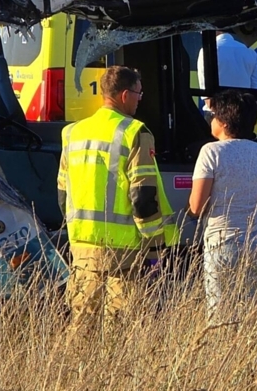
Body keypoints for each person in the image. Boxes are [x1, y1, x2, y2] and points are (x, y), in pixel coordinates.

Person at [58, 66, 178, 319]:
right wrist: (155, 248)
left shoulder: (72, 133)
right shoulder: (135, 132)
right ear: (125, 95)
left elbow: (62, 194)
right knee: (122, 328)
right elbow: (143, 198)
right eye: (139, 93)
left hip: (82, 248)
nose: (140, 99)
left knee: (82, 325)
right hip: (124, 252)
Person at [188, 90, 257, 321]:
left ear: (224, 122)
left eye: (214, 115)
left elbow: (197, 206)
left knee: (221, 316)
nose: (211, 119)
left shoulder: (211, 152)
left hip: (225, 241)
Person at [197, 30, 257, 121]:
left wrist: (225, 120)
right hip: (244, 119)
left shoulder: (206, 52)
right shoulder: (251, 53)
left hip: (217, 119)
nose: (201, 33)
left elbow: (208, 99)